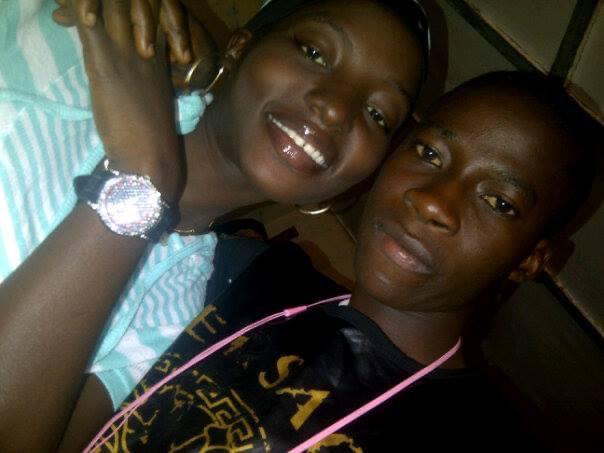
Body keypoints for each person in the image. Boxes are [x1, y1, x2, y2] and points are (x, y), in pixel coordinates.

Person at [61, 71, 601, 451]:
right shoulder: (249, 274)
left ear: (530, 260)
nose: (433, 201)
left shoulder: (472, 437)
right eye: (429, 154)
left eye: (499, 202)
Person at [0, 0, 429, 450]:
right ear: (239, 49)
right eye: (314, 52)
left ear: (348, 187)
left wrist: (144, 173)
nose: (337, 108)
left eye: (378, 114)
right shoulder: (79, 37)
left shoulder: (176, 316)